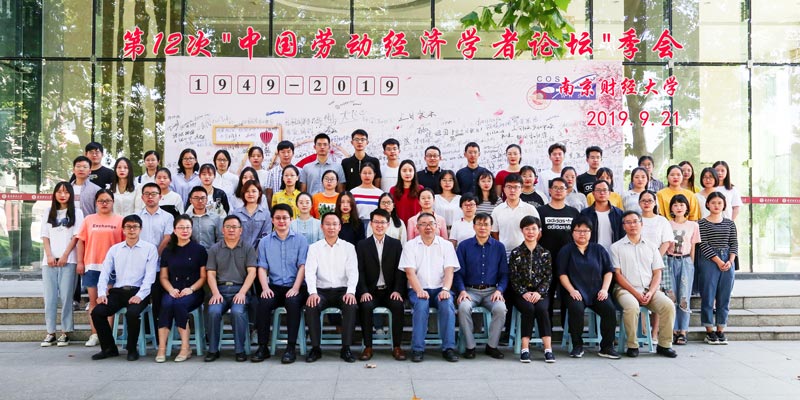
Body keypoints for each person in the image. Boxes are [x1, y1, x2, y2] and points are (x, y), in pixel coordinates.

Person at [90, 214, 159, 361]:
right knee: (97, 312)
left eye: (135, 227)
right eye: (128, 227)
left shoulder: (150, 249)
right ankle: (109, 348)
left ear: (140, 229)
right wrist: (101, 293)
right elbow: (105, 272)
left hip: (139, 291)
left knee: (132, 313)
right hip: (118, 292)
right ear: (123, 229)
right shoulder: (115, 249)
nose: (132, 230)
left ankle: (132, 348)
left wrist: (140, 295)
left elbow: (150, 277)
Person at [612, 211, 677, 358]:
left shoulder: (652, 246)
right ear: (623, 226)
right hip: (625, 290)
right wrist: (636, 293)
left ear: (641, 224)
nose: (632, 225)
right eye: (628, 222)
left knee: (668, 306)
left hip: (649, 289)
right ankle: (632, 345)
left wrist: (651, 292)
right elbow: (617, 275)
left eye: (635, 221)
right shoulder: (616, 247)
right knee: (631, 306)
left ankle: (664, 345)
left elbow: (657, 273)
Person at [399, 212, 460, 363]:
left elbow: (449, 271)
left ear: (437, 226)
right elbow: (410, 273)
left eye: (431, 224)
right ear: (417, 228)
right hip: (417, 288)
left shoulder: (446, 245)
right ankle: (417, 349)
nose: (428, 227)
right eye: (423, 224)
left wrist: (445, 290)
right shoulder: (410, 246)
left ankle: (449, 348)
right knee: (421, 305)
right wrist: (419, 290)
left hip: (440, 288)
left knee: (447, 305)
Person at [252, 204, 309, 364]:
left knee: (292, 302)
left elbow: (303, 266)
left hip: (296, 286)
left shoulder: (301, 240)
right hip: (274, 286)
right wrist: (265, 288)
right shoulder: (264, 242)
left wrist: (295, 288)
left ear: (291, 219)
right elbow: (262, 268)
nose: (281, 221)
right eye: (278, 218)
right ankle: (263, 346)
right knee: (263, 302)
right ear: (272, 220)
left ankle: (290, 348)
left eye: (285, 218)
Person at [557, 216, 619, 359]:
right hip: (575, 291)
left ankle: (606, 347)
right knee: (576, 309)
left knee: (609, 310)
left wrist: (604, 289)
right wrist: (572, 290)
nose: (582, 234)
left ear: (591, 232)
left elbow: (608, 271)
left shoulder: (599, 249)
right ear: (572, 232)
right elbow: (562, 274)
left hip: (597, 291)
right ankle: (577, 345)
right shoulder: (566, 250)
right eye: (578, 230)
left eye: (586, 231)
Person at [304, 213, 359, 363]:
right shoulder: (314, 248)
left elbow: (353, 272)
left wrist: (351, 292)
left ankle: (346, 348)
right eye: (327, 224)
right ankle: (315, 348)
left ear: (340, 227)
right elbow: (309, 272)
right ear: (322, 227)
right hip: (321, 291)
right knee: (311, 305)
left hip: (342, 290)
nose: (331, 227)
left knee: (350, 305)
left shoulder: (349, 248)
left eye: (335, 224)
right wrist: (312, 293)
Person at [204, 215, 258, 362]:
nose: (231, 230)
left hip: (240, 290)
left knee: (237, 312)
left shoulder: (248, 248)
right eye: (228, 227)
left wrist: (242, 292)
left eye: (234, 227)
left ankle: (240, 350)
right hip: (220, 290)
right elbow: (210, 274)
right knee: (213, 311)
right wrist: (215, 293)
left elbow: (252, 272)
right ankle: (213, 350)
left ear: (241, 230)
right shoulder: (214, 249)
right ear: (223, 230)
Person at [455, 213, 508, 360]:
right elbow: (457, 273)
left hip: (492, 291)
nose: (482, 227)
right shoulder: (464, 246)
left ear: (491, 227)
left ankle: (492, 346)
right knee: (463, 307)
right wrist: (462, 291)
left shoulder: (499, 247)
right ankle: (470, 346)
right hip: (470, 291)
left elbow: (504, 274)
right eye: (479, 224)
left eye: (486, 224)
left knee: (500, 309)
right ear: (474, 226)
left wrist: (499, 290)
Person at [155, 215, 207, 363]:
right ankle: (162, 348)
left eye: (188, 227)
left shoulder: (199, 250)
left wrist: (191, 289)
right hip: (173, 289)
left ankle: (185, 347)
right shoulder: (168, 251)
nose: (185, 231)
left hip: (193, 290)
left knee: (179, 305)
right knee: (166, 304)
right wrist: (171, 289)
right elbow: (163, 277)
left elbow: (203, 277)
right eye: (181, 227)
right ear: (174, 230)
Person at [356, 209, 407, 361]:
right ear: (371, 224)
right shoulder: (362, 245)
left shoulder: (395, 244)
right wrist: (363, 291)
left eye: (382, 222)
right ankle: (368, 347)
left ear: (388, 224)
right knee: (365, 306)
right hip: (370, 291)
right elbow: (359, 271)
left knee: (398, 306)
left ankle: (397, 346)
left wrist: (398, 290)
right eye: (376, 222)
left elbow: (400, 270)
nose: (379, 225)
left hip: (390, 291)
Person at [76, 189, 124, 347]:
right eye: (101, 201)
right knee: (93, 301)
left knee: (107, 302)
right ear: (96, 203)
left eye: (107, 200)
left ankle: (106, 335)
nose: (104, 203)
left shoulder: (120, 220)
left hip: (112, 267)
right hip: (92, 265)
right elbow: (81, 242)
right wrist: (80, 262)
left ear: (113, 202)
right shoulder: (89, 220)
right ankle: (95, 334)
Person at [40, 182, 83, 347]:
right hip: (49, 261)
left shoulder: (77, 212)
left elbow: (76, 236)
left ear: (71, 194)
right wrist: (49, 255)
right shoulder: (48, 212)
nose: (62, 195)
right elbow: (44, 235)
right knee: (49, 297)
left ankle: (65, 332)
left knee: (66, 297)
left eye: (66, 192)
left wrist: (65, 255)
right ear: (54, 194)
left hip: (69, 260)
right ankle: (50, 332)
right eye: (59, 192)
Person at [509, 216, 557, 363]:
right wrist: (524, 292)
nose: (530, 232)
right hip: (521, 293)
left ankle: (548, 349)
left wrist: (538, 292)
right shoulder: (516, 253)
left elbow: (548, 276)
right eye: (527, 229)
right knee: (528, 309)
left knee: (542, 309)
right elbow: (513, 277)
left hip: (540, 293)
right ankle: (525, 348)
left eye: (534, 229)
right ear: (522, 230)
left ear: (539, 231)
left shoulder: (545, 253)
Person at [537, 177, 580, 321]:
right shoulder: (540, 211)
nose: (558, 191)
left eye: (562, 188)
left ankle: (565, 328)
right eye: (555, 187)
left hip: (568, 262)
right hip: (545, 261)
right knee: (546, 296)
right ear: (549, 190)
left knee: (567, 296)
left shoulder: (573, 212)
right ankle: (547, 329)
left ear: (567, 191)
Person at [698, 192, 738, 345]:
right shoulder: (702, 223)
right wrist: (719, 261)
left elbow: (734, 243)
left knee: (724, 297)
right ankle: (709, 331)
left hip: (728, 260)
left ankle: (721, 330)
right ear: (707, 204)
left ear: (724, 205)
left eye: (719, 203)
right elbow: (703, 244)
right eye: (713, 202)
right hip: (709, 261)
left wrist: (730, 261)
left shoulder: (730, 223)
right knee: (708, 296)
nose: (716, 205)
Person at [136, 182, 175, 327]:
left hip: (160, 265)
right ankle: (145, 330)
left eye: (153, 194)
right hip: (139, 265)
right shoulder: (136, 217)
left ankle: (159, 332)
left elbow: (167, 238)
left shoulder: (168, 217)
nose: (150, 197)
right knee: (141, 299)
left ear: (160, 196)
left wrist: (154, 256)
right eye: (147, 194)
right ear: (142, 197)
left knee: (158, 299)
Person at [667, 194, 700, 346]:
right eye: (675, 205)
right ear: (671, 208)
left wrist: (691, 264)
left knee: (684, 296)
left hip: (686, 261)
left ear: (687, 207)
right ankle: (672, 330)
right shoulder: (667, 224)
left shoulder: (693, 225)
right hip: (669, 261)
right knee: (670, 296)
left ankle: (683, 331)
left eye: (681, 205)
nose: (678, 208)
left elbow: (693, 247)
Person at [491, 174, 539, 258]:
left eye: (516, 187)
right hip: (503, 255)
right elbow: (494, 233)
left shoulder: (530, 209)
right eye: (509, 187)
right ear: (504, 189)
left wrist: (528, 247)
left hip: (525, 255)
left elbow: (538, 232)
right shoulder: (497, 210)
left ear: (522, 189)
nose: (512, 190)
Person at [579, 180, 623, 254]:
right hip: (592, 253)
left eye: (605, 190)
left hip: (614, 253)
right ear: (593, 193)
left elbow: (622, 235)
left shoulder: (618, 213)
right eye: (598, 190)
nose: (602, 193)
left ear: (609, 193)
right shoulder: (585, 214)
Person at [230, 180, 272, 248]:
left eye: (254, 191)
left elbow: (266, 236)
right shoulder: (236, 213)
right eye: (247, 191)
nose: (250, 194)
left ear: (259, 193)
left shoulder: (266, 214)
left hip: (259, 252)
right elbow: (233, 235)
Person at [264, 140, 303, 206]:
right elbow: (269, 195)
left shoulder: (300, 171)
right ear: (278, 154)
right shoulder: (272, 172)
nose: (286, 155)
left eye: (288, 152)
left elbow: (301, 190)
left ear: (293, 153)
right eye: (283, 152)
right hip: (278, 208)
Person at [350, 163, 383, 227]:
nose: (367, 175)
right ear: (360, 174)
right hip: (357, 225)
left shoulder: (380, 193)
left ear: (374, 174)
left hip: (375, 226)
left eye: (370, 173)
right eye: (364, 173)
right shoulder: (353, 192)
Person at [391, 159, 423, 224]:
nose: (407, 173)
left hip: (416, 225)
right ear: (400, 172)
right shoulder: (393, 190)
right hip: (399, 225)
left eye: (410, 170)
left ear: (414, 172)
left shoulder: (420, 189)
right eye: (404, 171)